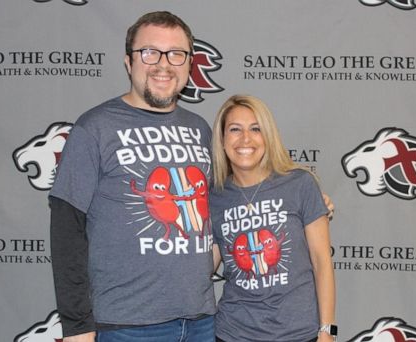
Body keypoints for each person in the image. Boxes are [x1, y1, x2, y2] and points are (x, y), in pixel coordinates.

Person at [49, 11, 217, 342]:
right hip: (127, 327)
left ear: (189, 64)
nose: (163, 64)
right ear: (129, 62)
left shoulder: (200, 130)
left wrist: (302, 202)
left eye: (176, 54)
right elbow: (66, 230)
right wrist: (78, 326)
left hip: (201, 322)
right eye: (150, 52)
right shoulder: (94, 128)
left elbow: (227, 202)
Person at [209, 95, 337, 342]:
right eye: (235, 129)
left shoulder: (299, 183)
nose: (245, 138)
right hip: (233, 333)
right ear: (222, 140)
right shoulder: (214, 197)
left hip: (298, 334)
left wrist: (328, 330)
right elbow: (205, 268)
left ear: (268, 136)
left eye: (256, 129)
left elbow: (322, 262)